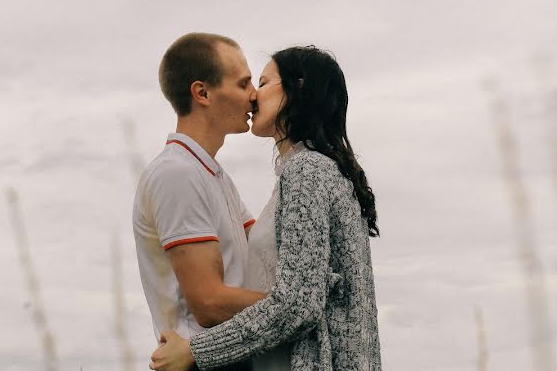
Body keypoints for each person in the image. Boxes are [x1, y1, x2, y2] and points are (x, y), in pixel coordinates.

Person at [149, 46, 382, 371]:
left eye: (262, 81)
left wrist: (194, 351)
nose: (253, 95)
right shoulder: (315, 173)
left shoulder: (308, 172)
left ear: (296, 88)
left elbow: (298, 304)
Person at [132, 32, 266, 371]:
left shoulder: (213, 175)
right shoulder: (176, 174)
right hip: (203, 364)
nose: (254, 96)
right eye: (243, 83)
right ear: (202, 93)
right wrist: (299, 307)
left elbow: (264, 252)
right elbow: (207, 302)